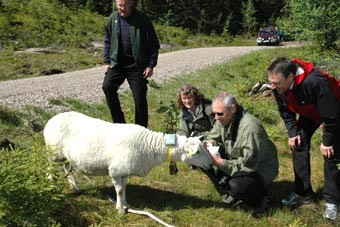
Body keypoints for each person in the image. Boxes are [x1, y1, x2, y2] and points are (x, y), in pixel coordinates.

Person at [267, 57, 340, 220]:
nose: (272, 86)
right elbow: (285, 111)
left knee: (331, 154)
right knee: (298, 143)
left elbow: (331, 115)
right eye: (270, 82)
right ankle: (303, 193)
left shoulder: (314, 82)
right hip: (312, 112)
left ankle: (332, 200)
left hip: (335, 112)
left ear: (291, 77)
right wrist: (292, 132)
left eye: (276, 83)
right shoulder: (277, 86)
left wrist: (327, 141)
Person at [203, 92, 279, 214]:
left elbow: (249, 164)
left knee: (237, 186)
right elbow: (213, 135)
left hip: (258, 168)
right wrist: (209, 143)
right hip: (236, 160)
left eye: (219, 114)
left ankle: (263, 196)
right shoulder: (223, 119)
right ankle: (230, 192)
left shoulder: (251, 128)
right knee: (203, 160)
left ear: (233, 109)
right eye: (214, 113)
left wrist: (222, 163)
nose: (216, 118)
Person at [102, 0, 160, 128]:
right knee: (107, 87)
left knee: (139, 99)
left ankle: (140, 131)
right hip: (118, 64)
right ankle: (120, 125)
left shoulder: (143, 20)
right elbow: (107, 40)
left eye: (125, 5)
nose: (122, 8)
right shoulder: (112, 18)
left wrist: (150, 65)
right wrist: (107, 61)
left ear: (131, 4)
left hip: (137, 66)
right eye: (120, 5)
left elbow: (154, 45)